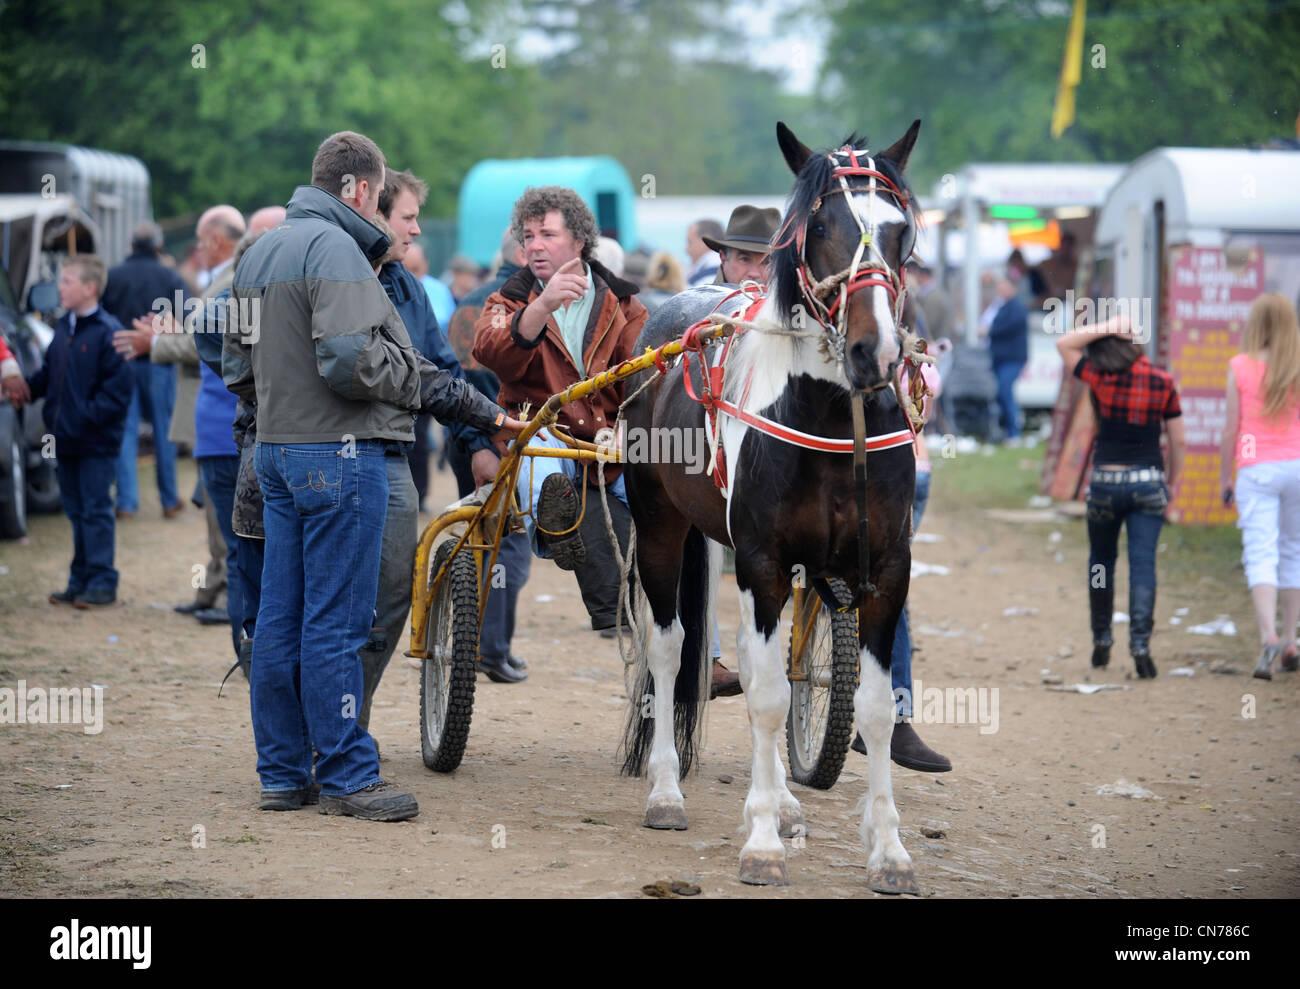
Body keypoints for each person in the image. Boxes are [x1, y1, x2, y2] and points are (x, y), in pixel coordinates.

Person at [223, 130, 520, 821]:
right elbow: (355, 361)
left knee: (280, 620)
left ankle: (283, 773)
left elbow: (230, 353)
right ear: (360, 189)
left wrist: (275, 401)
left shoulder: (263, 249)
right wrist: (449, 397)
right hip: (340, 455)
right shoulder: (336, 250)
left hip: (276, 452)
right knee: (336, 621)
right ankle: (350, 774)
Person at [471, 186, 645, 645]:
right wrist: (540, 307)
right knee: (543, 459)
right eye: (527, 236)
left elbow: (646, 382)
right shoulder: (506, 301)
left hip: (612, 447)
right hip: (543, 438)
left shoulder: (626, 305)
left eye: (547, 233)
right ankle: (557, 521)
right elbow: (490, 352)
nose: (534, 245)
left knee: (680, 517)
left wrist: (631, 436)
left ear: (580, 242)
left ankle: (706, 655)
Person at [116, 206, 248, 625]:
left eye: (200, 237)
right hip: (208, 412)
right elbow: (201, 335)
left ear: (214, 239)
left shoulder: (234, 280)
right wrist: (172, 331)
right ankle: (213, 589)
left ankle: (227, 595)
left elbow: (208, 343)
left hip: (222, 416)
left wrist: (158, 341)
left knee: (225, 516)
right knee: (213, 508)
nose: (196, 246)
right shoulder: (214, 279)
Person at [1056, 313, 1185, 679]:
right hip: (1148, 485)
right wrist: (1170, 482)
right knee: (1143, 564)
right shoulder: (1163, 382)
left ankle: (1102, 638)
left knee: (1100, 563)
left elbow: (1064, 343)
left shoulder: (1100, 378)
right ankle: (1141, 645)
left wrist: (1110, 326)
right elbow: (1178, 439)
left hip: (1105, 486)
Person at [852, 356, 951, 770]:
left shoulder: (897, 352)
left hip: (891, 472)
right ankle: (896, 714)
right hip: (906, 466)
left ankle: (894, 715)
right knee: (887, 591)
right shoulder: (908, 356)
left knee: (887, 588)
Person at [445, 228, 533, 683]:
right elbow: (464, 382)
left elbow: (450, 383)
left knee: (483, 539)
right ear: (523, 252)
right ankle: (490, 649)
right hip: (501, 444)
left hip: (468, 443)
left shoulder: (472, 300)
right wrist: (486, 444)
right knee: (508, 542)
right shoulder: (511, 306)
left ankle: (477, 644)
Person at [26, 257, 133, 607]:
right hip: (60, 439)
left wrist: (81, 419)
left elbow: (116, 395)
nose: (60, 287)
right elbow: (50, 373)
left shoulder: (109, 332)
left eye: (67, 280)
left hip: (94, 442)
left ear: (89, 288)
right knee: (74, 510)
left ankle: (102, 583)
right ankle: (80, 579)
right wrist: (24, 389)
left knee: (96, 509)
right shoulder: (63, 326)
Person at [1218, 293, 1300, 679]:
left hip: (1257, 465)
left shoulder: (1241, 366)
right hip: (1297, 465)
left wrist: (1224, 477)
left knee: (1261, 551)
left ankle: (1267, 636)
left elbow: (1232, 428)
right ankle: (1291, 639)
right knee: (1294, 551)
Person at [102, 223, 190, 520]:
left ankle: (126, 503)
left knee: (125, 431)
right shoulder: (170, 276)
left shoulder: (112, 276)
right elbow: (189, 319)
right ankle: (168, 500)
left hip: (121, 361)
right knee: (164, 431)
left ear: (130, 244)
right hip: (158, 362)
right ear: (159, 246)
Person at [985, 276, 1028, 442]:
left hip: (1012, 359)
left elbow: (1002, 328)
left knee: (1005, 392)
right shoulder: (1001, 306)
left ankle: (1014, 432)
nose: (1000, 291)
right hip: (1001, 358)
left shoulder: (1016, 308)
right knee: (1001, 394)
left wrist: (988, 330)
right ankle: (1007, 431)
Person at [704, 206, 781, 286]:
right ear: (723, 258)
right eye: (745, 259)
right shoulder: (701, 297)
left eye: (767, 262)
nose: (754, 274)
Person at [403, 242, 456, 331]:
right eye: (405, 269)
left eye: (415, 269)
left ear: (426, 265)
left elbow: (452, 326)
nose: (410, 275)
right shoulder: (390, 291)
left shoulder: (441, 291)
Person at [905, 262, 954, 341]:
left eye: (917, 276)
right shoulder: (933, 294)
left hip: (935, 344)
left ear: (924, 276)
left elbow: (928, 324)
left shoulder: (933, 297)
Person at [684, 219, 722, 287]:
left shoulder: (713, 271)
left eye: (690, 242)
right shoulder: (707, 267)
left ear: (706, 240)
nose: (686, 249)